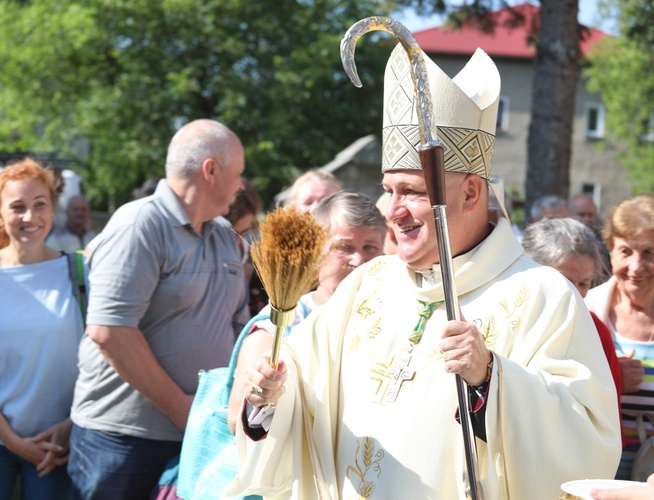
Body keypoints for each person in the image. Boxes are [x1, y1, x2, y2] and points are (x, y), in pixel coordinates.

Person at [226, 46, 620, 499]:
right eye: (387, 190)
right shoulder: (366, 284)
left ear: (472, 192)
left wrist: (489, 377)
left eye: (411, 192)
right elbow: (299, 402)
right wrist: (268, 396)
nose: (392, 212)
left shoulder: (541, 295)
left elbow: (587, 442)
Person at [68, 119, 250, 499]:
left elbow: (237, 328)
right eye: (238, 174)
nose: (241, 186)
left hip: (200, 433)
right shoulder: (140, 225)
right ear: (211, 170)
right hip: (124, 439)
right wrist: (182, 409)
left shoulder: (226, 238)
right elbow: (110, 330)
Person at [0, 158, 85, 499]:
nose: (30, 217)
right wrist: (13, 442)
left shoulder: (81, 273)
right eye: (18, 207)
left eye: (40, 205)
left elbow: (101, 359)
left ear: (53, 209)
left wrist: (71, 425)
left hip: (59, 442)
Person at [227, 190, 386, 433]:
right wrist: (262, 398)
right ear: (317, 250)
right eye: (344, 247)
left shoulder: (390, 317)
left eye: (370, 247)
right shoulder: (278, 327)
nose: (358, 260)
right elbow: (236, 422)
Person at [522, 217, 622, 418]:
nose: (574, 293)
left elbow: (608, 418)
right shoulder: (511, 320)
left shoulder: (596, 330)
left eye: (584, 283)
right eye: (564, 281)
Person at [586, 194, 654, 481]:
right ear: (610, 252)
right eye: (626, 251)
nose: (636, 267)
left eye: (650, 253)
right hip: (598, 471)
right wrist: (611, 379)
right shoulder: (586, 308)